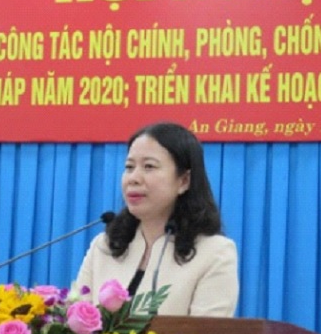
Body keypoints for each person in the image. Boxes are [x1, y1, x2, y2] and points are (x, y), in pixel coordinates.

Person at [75, 121, 239, 317]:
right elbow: (73, 320)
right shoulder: (104, 247)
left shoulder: (214, 253)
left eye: (149, 166)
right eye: (129, 167)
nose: (134, 178)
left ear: (184, 181)